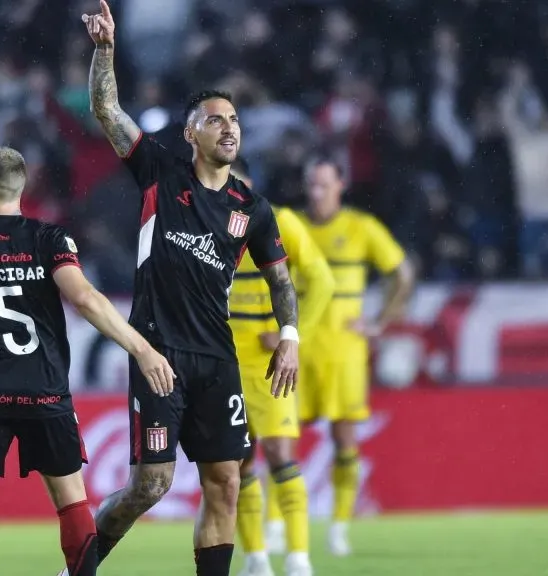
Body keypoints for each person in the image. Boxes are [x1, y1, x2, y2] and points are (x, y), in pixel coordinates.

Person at [61, 2, 300, 575]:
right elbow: (106, 109)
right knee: (152, 485)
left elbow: (281, 280)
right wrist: (105, 51)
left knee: (226, 480)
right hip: (157, 353)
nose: (230, 127)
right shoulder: (160, 173)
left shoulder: (253, 208)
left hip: (217, 357)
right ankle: (79, 568)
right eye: (217, 119)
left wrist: (290, 334)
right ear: (192, 132)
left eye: (235, 120)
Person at [0, 145, 174, 576]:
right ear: (21, 188)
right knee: (72, 504)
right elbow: (84, 298)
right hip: (42, 390)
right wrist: (141, 347)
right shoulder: (50, 239)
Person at [271, 156, 414, 557]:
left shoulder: (361, 228)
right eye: (311, 184)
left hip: (345, 351)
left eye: (324, 184)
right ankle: (278, 524)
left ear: (342, 184)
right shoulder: (290, 226)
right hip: (297, 347)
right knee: (281, 439)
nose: (317, 192)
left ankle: (338, 527)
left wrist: (381, 322)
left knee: (344, 438)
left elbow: (403, 273)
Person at [227, 158, 334, 576]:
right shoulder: (203, 223)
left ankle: (298, 558)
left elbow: (322, 281)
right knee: (239, 462)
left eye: (239, 183)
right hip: (224, 361)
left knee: (280, 455)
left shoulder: (280, 220)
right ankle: (256, 559)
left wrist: (292, 332)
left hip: (271, 364)